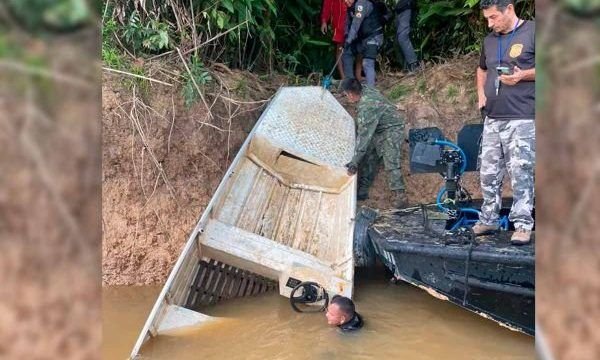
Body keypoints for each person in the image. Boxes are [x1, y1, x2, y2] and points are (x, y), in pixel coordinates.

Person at [473, 0, 535, 245]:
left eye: (494, 17)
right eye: (487, 18)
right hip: (493, 118)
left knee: (521, 172)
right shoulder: (489, 40)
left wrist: (523, 75)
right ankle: (488, 218)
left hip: (523, 117)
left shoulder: (534, 31)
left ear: (509, 9)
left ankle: (522, 224)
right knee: (488, 172)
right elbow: (481, 69)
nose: (490, 23)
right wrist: (481, 94)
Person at [341, 78, 407, 207]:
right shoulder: (364, 89)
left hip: (392, 127)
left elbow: (363, 138)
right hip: (379, 126)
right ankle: (363, 191)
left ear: (350, 94)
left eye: (345, 95)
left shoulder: (367, 107)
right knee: (370, 155)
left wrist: (354, 162)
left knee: (390, 159)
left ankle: (400, 197)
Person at [341, 0, 388, 86]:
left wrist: (349, 40)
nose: (346, 1)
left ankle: (371, 91)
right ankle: (351, 86)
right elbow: (347, 25)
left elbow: (356, 24)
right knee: (347, 53)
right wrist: (346, 38)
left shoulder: (361, 3)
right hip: (362, 40)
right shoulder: (350, 8)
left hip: (373, 37)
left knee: (367, 63)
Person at [320, 0, 347, 79]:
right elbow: (327, 5)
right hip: (339, 25)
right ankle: (343, 77)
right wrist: (324, 21)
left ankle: (356, 76)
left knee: (356, 49)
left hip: (354, 23)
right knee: (340, 49)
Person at [393, 0, 420, 72]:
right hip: (400, 9)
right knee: (397, 42)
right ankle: (406, 68)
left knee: (402, 37)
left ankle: (414, 65)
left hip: (406, 7)